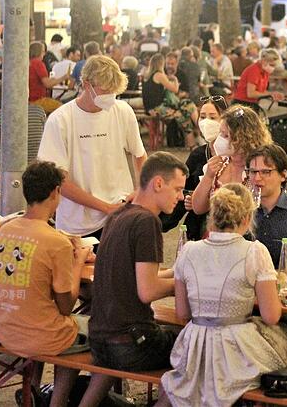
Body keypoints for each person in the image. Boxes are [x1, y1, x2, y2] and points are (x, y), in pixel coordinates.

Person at [160, 183, 287, 406]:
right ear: (247, 218)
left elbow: (182, 312)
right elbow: (271, 315)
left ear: (212, 218)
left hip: (194, 348)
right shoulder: (255, 251)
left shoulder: (189, 251)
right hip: (236, 349)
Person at [82, 153, 187, 405]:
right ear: (158, 183)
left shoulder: (118, 215)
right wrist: (183, 284)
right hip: (132, 344)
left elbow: (131, 276)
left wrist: (175, 271)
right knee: (198, 351)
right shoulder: (147, 221)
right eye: (178, 189)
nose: (181, 197)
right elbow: (147, 291)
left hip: (99, 339)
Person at [0, 161, 91, 407]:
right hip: (40, 336)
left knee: (47, 315)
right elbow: (66, 306)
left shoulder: (4, 230)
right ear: (56, 192)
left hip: (6, 329)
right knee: (98, 332)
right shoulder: (56, 243)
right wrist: (79, 260)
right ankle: (56, 401)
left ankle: (33, 392)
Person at [37, 55, 147, 239]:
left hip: (120, 213)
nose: (111, 98)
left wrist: (140, 191)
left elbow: (140, 155)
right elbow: (59, 181)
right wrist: (105, 207)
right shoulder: (60, 120)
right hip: (77, 224)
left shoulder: (123, 111)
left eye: (114, 92)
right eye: (106, 91)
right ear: (87, 85)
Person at [160, 96, 228, 239]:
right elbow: (183, 188)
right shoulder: (198, 154)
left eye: (213, 117)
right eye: (202, 117)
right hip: (198, 226)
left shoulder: (236, 155)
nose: (206, 122)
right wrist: (189, 199)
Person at [191, 105, 272, 215]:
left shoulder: (260, 168)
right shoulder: (219, 165)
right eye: (220, 133)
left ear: (242, 138)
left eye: (226, 135)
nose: (219, 139)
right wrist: (208, 177)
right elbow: (198, 208)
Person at [140, 53, 198, 148]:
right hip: (158, 108)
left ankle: (192, 144)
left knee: (185, 110)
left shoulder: (147, 75)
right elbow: (175, 89)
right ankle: (195, 136)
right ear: (161, 64)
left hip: (151, 108)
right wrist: (174, 79)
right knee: (184, 113)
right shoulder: (159, 75)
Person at [232, 49, 284, 113]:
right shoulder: (254, 71)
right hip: (242, 104)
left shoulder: (265, 72)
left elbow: (260, 91)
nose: (273, 68)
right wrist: (270, 94)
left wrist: (273, 94)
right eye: (271, 65)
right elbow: (251, 94)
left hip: (252, 103)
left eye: (274, 66)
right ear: (263, 61)